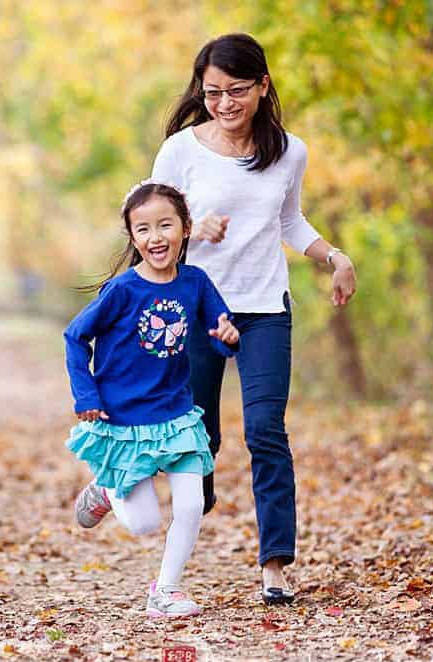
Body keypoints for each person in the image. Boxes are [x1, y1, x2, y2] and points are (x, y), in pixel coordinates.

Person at [149, 33, 357, 605]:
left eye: (236, 90)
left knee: (266, 431)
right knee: (199, 436)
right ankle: (195, 495)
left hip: (265, 308)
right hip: (196, 311)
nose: (224, 103)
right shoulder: (181, 151)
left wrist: (334, 257)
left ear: (263, 86)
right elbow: (146, 217)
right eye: (212, 92)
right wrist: (191, 224)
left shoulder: (289, 151)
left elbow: (290, 222)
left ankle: (275, 565)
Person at [65, 182, 239, 618]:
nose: (155, 237)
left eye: (165, 225)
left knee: (192, 503)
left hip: (176, 414)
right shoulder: (122, 291)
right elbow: (75, 337)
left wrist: (227, 337)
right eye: (143, 229)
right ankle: (107, 488)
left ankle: (166, 590)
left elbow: (220, 333)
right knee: (144, 524)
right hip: (123, 419)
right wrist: (86, 395)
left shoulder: (196, 282)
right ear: (132, 236)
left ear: (185, 228)